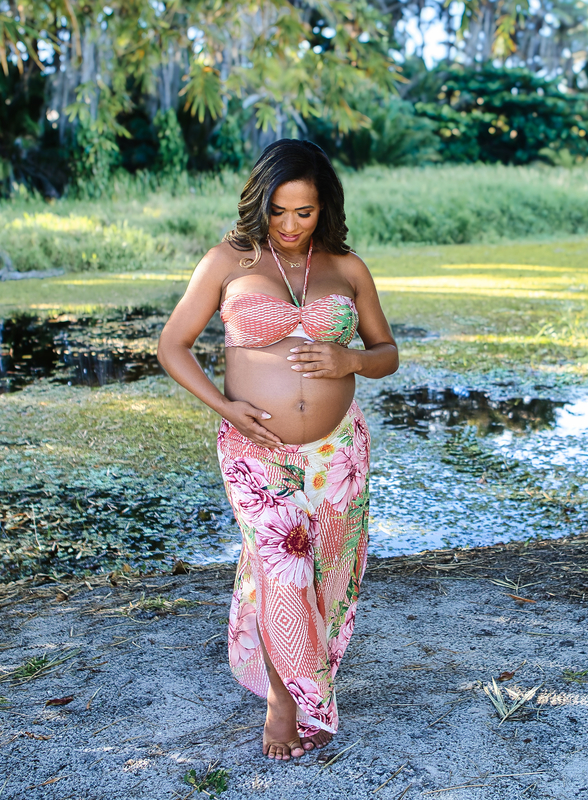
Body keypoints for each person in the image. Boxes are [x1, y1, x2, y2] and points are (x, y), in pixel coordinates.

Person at [157, 139, 398, 761]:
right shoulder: (228, 261)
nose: (290, 226)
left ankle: (304, 675)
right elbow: (172, 346)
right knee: (282, 568)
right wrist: (223, 404)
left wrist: (349, 359)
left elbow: (386, 354)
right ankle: (283, 703)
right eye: (279, 211)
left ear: (325, 208)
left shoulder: (347, 268)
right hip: (254, 450)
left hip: (337, 454)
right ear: (258, 202)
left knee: (325, 575)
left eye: (306, 212)